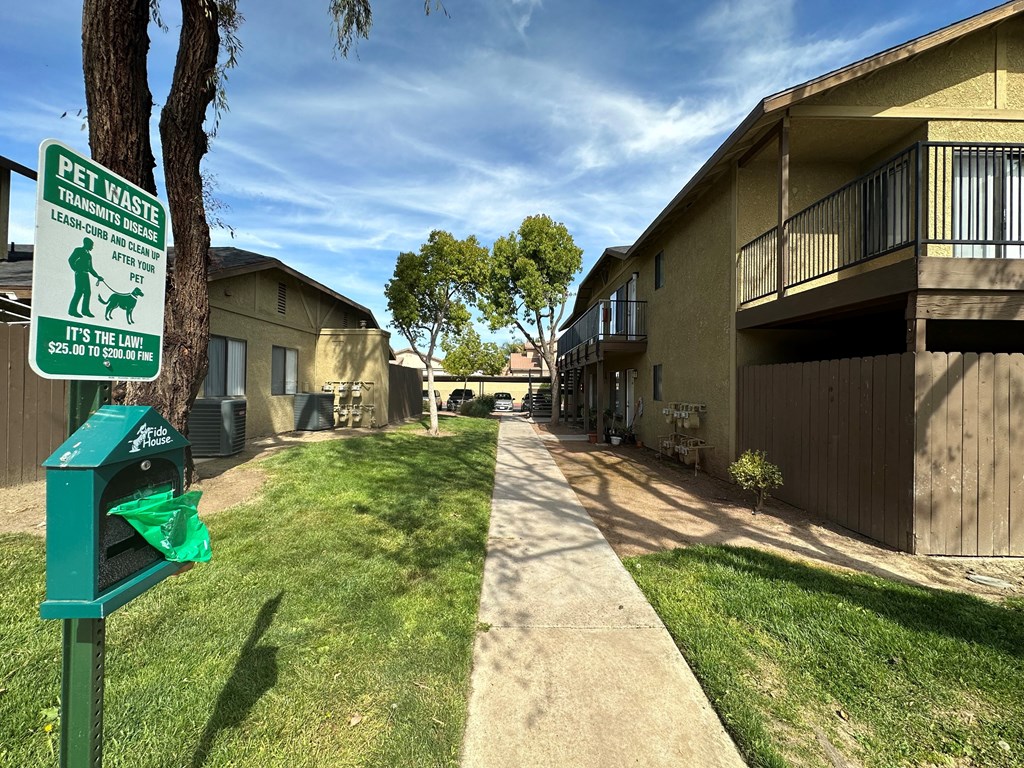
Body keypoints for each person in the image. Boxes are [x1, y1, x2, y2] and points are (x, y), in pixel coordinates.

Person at [67, 237, 103, 318]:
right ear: (86, 244)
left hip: (86, 275)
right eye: (91, 245)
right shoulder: (78, 250)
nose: (92, 247)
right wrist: (76, 269)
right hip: (79, 274)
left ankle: (85, 310)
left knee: (87, 292)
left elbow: (90, 268)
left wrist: (98, 276)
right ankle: (72, 310)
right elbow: (70, 260)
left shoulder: (89, 255)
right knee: (79, 292)